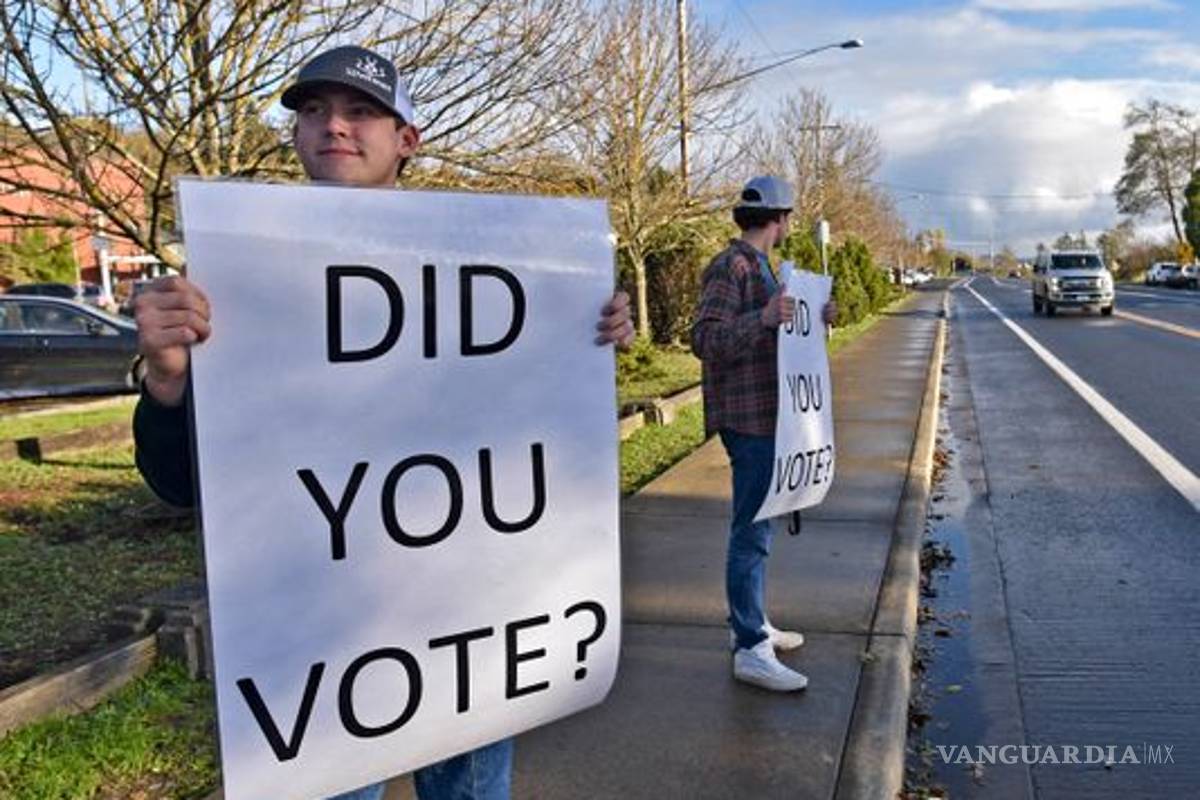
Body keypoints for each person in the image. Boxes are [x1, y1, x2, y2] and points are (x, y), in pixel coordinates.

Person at [132, 45, 634, 800]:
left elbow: (538, 437)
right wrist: (168, 381)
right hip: (324, 638)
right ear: (296, 136)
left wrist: (587, 332)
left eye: (361, 110)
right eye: (313, 111)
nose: (334, 126)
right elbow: (178, 484)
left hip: (474, 614)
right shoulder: (239, 277)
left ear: (407, 139)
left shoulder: (506, 264)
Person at [690, 175, 836, 693]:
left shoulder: (764, 269)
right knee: (750, 531)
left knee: (761, 527)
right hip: (746, 418)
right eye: (788, 217)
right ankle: (749, 646)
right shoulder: (731, 267)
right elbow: (704, 339)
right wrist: (765, 317)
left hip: (768, 416)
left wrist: (817, 320)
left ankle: (753, 624)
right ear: (780, 220)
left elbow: (779, 334)